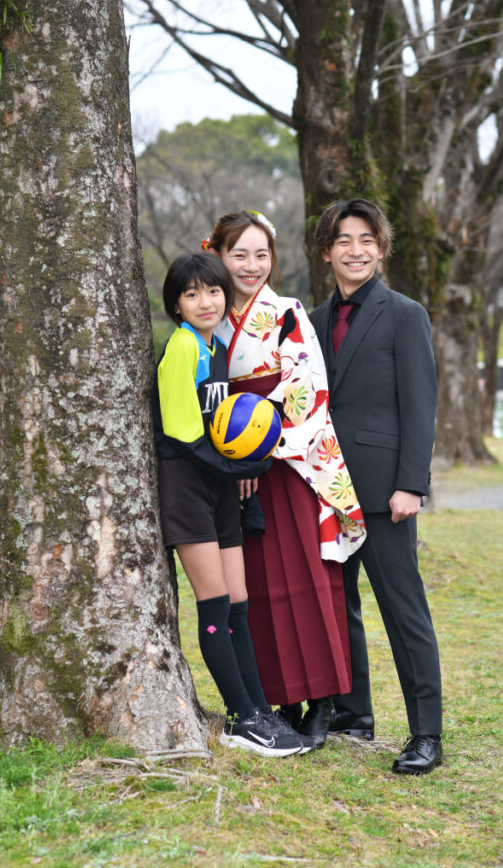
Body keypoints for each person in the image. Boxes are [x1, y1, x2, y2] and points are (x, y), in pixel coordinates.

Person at [206, 210, 366, 750]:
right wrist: (233, 459)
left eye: (261, 254)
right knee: (256, 589)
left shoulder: (286, 312)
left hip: (286, 464)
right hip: (234, 471)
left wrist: (258, 451)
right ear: (218, 256)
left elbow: (306, 392)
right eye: (239, 255)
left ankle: (322, 701)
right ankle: (279, 700)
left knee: (305, 581)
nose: (251, 266)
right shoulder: (210, 319)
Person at [153, 251, 313, 757]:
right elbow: (182, 433)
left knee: (240, 602)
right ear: (176, 306)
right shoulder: (182, 347)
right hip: (187, 484)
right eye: (192, 294)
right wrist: (239, 470)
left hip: (219, 485)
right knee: (216, 603)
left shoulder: (216, 345)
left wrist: (241, 468)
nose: (206, 301)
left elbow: (225, 425)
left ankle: (258, 709)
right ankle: (242, 721)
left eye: (214, 291)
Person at [310, 197, 443, 775]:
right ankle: (353, 712)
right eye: (343, 240)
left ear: (381, 249)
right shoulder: (312, 322)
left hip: (388, 495)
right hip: (328, 490)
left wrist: (411, 484)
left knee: (404, 612)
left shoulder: (406, 314)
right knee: (338, 607)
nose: (355, 250)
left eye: (366, 239)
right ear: (326, 252)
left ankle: (427, 734)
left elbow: (420, 405)